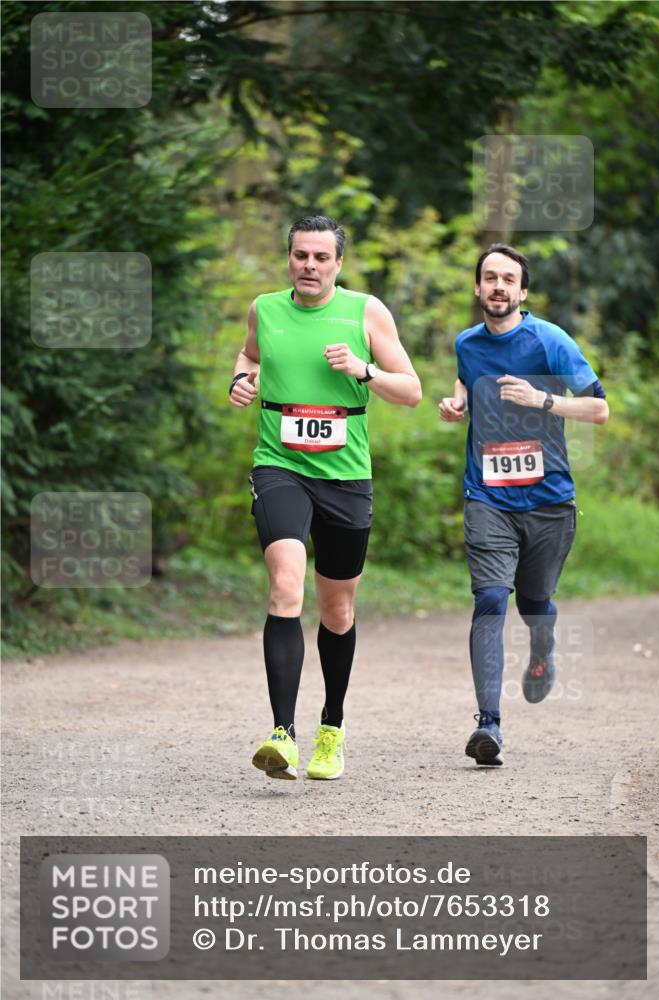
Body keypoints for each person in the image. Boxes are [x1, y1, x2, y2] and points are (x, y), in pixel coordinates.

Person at [230, 215, 421, 780]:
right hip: (279, 465)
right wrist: (240, 381)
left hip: (344, 475)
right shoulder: (265, 309)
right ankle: (282, 733)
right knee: (286, 583)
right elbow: (249, 358)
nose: (308, 266)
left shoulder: (365, 312)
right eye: (299, 256)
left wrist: (363, 370)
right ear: (288, 258)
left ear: (339, 264)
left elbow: (410, 390)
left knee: (337, 608)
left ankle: (331, 727)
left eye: (320, 258)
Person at [439, 244, 609, 766]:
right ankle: (488, 725)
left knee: (534, 602)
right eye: (489, 277)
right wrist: (458, 402)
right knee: (490, 598)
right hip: (487, 496)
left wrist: (544, 400)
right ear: (477, 288)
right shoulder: (466, 343)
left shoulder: (550, 341)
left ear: (522, 291)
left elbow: (600, 409)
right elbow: (467, 378)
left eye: (507, 279)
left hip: (549, 501)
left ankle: (542, 648)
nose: (498, 286)